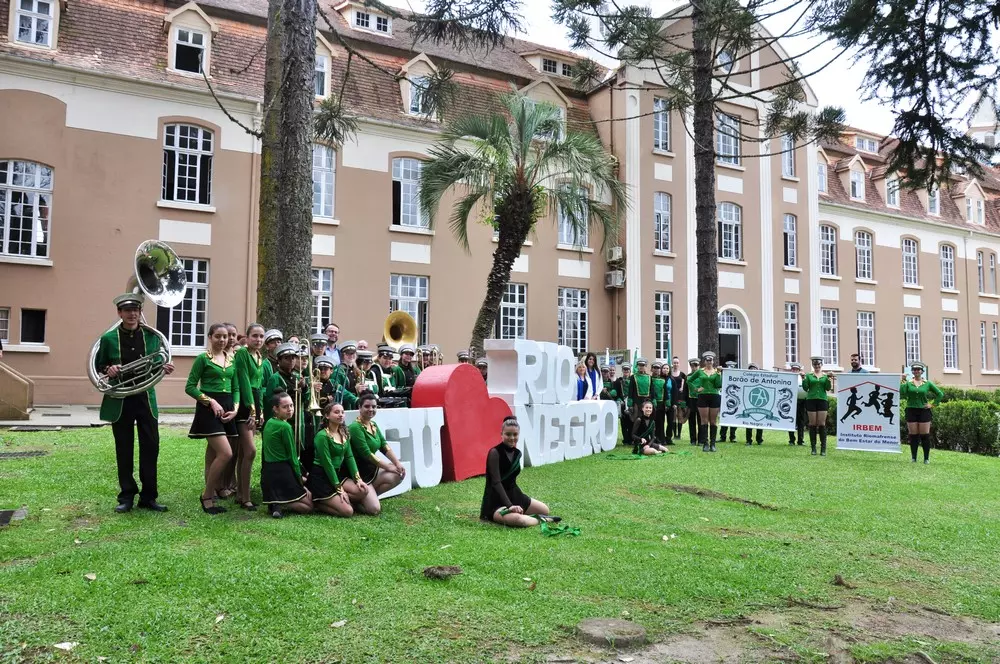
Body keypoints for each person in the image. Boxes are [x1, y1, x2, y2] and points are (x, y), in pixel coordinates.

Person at [94, 293, 175, 513]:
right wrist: (108, 370)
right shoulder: (109, 338)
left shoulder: (152, 337)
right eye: (127, 310)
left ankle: (149, 496)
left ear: (140, 312)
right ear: (119, 313)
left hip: (146, 398)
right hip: (121, 397)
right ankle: (126, 496)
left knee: (151, 447)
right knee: (124, 447)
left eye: (135, 310)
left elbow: (158, 362)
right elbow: (100, 365)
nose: (132, 314)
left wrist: (163, 368)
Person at [186, 323, 240, 515]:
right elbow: (190, 387)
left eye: (225, 337)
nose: (222, 340)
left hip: (227, 409)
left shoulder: (231, 359)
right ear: (210, 337)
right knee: (225, 453)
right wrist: (211, 402)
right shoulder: (203, 359)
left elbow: (236, 388)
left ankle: (212, 495)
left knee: (212, 456)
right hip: (209, 409)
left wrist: (235, 409)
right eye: (218, 336)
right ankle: (207, 495)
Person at [480, 416, 551, 527]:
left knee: (545, 510)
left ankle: (540, 517)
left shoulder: (517, 453)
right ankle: (542, 520)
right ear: (501, 434)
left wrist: (518, 500)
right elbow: (496, 483)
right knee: (520, 521)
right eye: (508, 434)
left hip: (515, 495)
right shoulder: (494, 453)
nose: (512, 438)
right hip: (496, 500)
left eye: (515, 434)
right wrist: (509, 506)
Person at [260, 393, 313, 518]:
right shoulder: (285, 426)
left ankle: (276, 501)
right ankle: (280, 502)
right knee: (309, 507)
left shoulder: (269, 422)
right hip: (281, 471)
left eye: (291, 405)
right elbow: (292, 456)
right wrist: (299, 477)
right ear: (275, 409)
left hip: (268, 472)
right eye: (285, 407)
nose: (290, 409)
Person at [231, 323, 266, 510]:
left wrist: (260, 410)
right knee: (251, 451)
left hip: (255, 401)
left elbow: (259, 386)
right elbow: (243, 380)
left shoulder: (260, 356)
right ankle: (245, 497)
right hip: (245, 404)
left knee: (245, 453)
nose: (258, 340)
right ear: (248, 336)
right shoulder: (243, 354)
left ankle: (240, 493)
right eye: (255, 336)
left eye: (261, 336)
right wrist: (252, 410)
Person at [348, 392, 406, 497]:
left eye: (374, 407)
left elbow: (384, 446)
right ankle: (361, 499)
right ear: (359, 408)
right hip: (359, 471)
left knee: (397, 475)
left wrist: (397, 463)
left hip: (371, 468)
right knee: (374, 509)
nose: (371, 409)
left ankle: (370, 497)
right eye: (367, 406)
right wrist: (388, 467)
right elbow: (366, 454)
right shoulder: (355, 427)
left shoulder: (373, 424)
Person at [307, 402, 356, 517]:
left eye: (342, 412)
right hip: (321, 477)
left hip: (336, 475)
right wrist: (340, 489)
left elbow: (349, 457)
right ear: (327, 416)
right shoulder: (322, 436)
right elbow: (327, 464)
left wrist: (357, 479)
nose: (341, 415)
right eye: (336, 412)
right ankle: (317, 502)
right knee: (348, 511)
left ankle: (335, 500)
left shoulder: (344, 433)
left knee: (362, 491)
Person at [900, 362, 943, 464]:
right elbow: (902, 392)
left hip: (924, 411)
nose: (916, 371)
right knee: (913, 435)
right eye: (914, 370)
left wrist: (932, 405)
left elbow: (940, 394)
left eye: (918, 369)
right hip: (911, 410)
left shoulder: (927, 383)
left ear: (922, 371)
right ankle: (914, 458)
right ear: (912, 371)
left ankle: (926, 458)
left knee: (924, 435)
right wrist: (902, 380)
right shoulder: (908, 383)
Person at [690, 352, 722, 452]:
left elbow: (718, 385)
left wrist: (718, 374)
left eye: (711, 360)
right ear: (704, 362)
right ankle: (705, 443)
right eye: (707, 360)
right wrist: (696, 389)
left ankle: (713, 444)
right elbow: (689, 380)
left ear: (713, 362)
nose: (709, 362)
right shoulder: (700, 371)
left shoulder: (717, 371)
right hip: (703, 396)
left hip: (714, 395)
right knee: (704, 421)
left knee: (713, 421)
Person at [802, 356, 834, 456]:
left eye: (818, 364)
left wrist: (829, 379)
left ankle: (823, 448)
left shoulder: (825, 376)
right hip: (811, 400)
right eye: (815, 364)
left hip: (822, 400)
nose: (817, 366)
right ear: (813, 365)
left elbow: (828, 388)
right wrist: (803, 379)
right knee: (812, 424)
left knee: (821, 424)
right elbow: (805, 388)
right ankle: (813, 448)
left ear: (821, 365)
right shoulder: (809, 375)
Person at [718, 361, 739, 443]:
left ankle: (732, 436)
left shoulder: (737, 378)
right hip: (724, 399)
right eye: (728, 367)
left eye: (732, 367)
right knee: (724, 417)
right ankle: (722, 436)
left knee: (733, 418)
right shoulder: (722, 377)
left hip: (734, 400)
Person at [743, 363, 764, 445]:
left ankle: (759, 439)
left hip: (760, 403)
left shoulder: (762, 378)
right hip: (749, 402)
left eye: (754, 369)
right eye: (751, 369)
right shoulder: (746, 379)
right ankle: (748, 440)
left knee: (760, 421)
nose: (753, 370)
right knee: (749, 421)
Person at [650, 362, 670, 445]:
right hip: (651, 404)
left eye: (658, 368)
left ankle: (661, 439)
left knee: (661, 422)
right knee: (652, 422)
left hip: (661, 404)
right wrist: (652, 399)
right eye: (654, 368)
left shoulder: (663, 380)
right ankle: (652, 439)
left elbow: (665, 392)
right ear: (652, 369)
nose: (656, 370)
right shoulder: (649, 379)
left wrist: (667, 402)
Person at [787, 362, 807, 446]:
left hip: (801, 401)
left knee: (801, 422)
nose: (795, 371)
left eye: (796, 369)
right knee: (791, 421)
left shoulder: (802, 377)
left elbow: (806, 387)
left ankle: (800, 440)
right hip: (790, 401)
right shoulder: (788, 378)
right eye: (793, 369)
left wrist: (804, 377)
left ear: (799, 370)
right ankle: (791, 440)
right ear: (791, 370)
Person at [614, 363, 633, 448]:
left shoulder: (633, 380)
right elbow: (616, 393)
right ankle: (625, 439)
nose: (626, 371)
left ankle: (631, 439)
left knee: (631, 421)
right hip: (622, 403)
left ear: (630, 371)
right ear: (622, 371)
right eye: (624, 370)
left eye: (627, 370)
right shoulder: (619, 381)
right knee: (624, 422)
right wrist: (619, 399)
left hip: (630, 403)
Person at [669, 357, 687, 440]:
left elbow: (686, 386)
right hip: (672, 397)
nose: (675, 364)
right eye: (674, 363)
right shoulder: (669, 374)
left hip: (680, 397)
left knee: (680, 415)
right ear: (672, 363)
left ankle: (678, 435)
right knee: (673, 416)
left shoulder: (682, 374)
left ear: (679, 364)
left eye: (677, 363)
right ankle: (674, 434)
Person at [685, 358, 701, 445]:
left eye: (696, 365)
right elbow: (685, 390)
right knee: (691, 421)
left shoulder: (702, 376)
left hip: (701, 400)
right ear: (690, 366)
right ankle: (693, 440)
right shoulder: (688, 376)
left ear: (699, 366)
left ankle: (701, 440)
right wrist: (685, 402)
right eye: (692, 365)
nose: (694, 367)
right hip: (691, 400)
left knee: (701, 420)